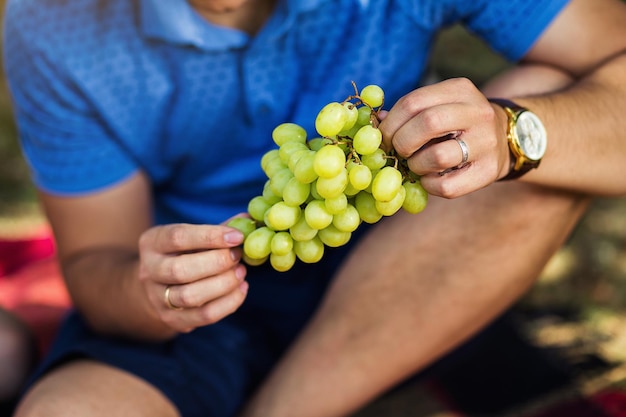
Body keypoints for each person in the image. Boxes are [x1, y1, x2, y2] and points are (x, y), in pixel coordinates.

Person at [3, 0, 626, 416]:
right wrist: (150, 294)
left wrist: (516, 134)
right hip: (201, 299)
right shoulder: (52, 22)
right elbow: (95, 263)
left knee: (538, 108)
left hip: (406, 271)